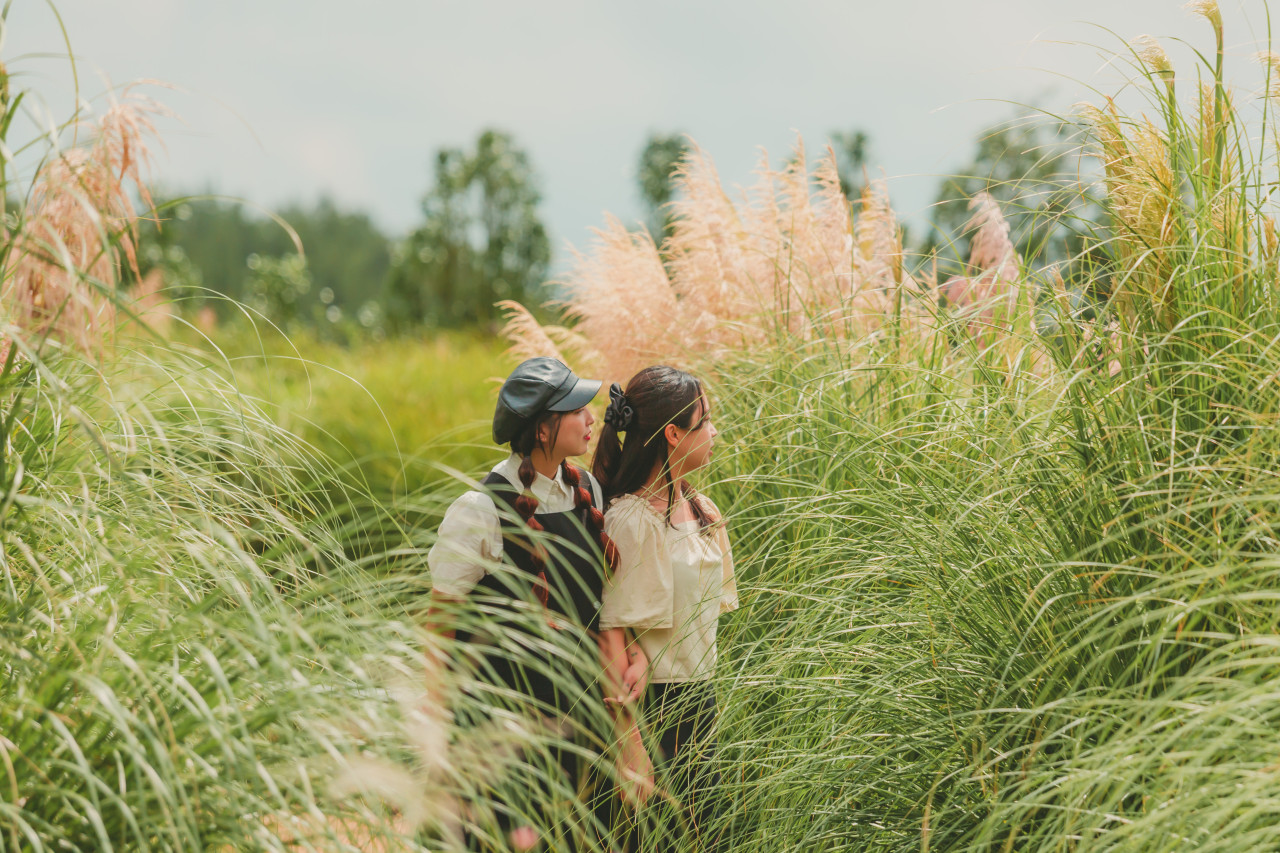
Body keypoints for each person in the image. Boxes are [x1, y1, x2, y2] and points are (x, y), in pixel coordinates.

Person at [427, 356, 652, 852]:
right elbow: (438, 632)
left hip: (580, 718)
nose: (592, 418)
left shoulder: (587, 491)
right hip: (502, 729)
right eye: (579, 409)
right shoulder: (479, 511)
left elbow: (595, 603)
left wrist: (632, 648)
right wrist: (436, 732)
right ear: (545, 429)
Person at [593, 366, 737, 851]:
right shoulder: (629, 519)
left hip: (701, 700)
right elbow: (610, 628)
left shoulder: (704, 511)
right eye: (705, 421)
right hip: (651, 707)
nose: (715, 433)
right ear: (673, 434)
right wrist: (630, 744)